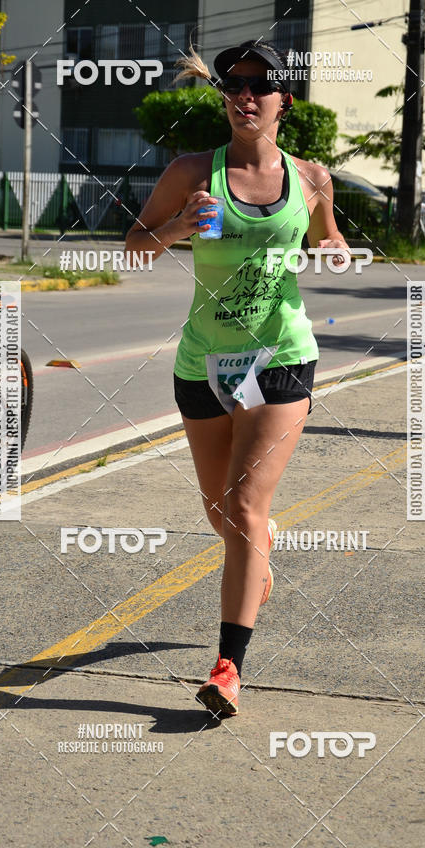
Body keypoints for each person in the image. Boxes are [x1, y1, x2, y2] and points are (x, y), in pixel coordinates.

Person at [125, 39, 347, 716]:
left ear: (285, 101)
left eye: (261, 85)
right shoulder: (192, 172)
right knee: (223, 513)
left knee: (246, 509)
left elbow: (327, 240)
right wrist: (177, 229)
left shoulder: (310, 179)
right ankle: (259, 563)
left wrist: (337, 252)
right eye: (235, 85)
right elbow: (133, 250)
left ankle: (227, 668)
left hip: (280, 358)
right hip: (204, 364)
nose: (246, 96)